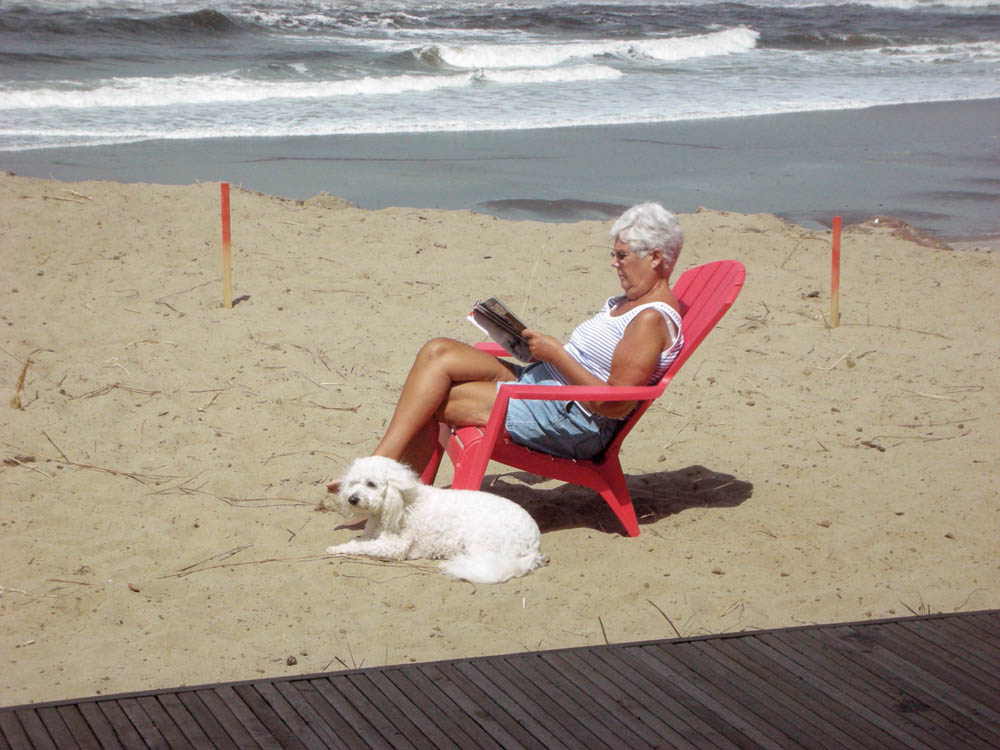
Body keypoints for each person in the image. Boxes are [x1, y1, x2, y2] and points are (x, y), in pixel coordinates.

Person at [326, 201, 684, 493]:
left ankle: (383, 484)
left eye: (621, 255)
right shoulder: (627, 302)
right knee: (438, 351)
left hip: (570, 418)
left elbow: (614, 403)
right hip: (545, 384)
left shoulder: (649, 320)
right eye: (614, 253)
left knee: (432, 400)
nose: (614, 262)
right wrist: (532, 346)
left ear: (654, 257)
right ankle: (381, 468)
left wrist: (556, 353)